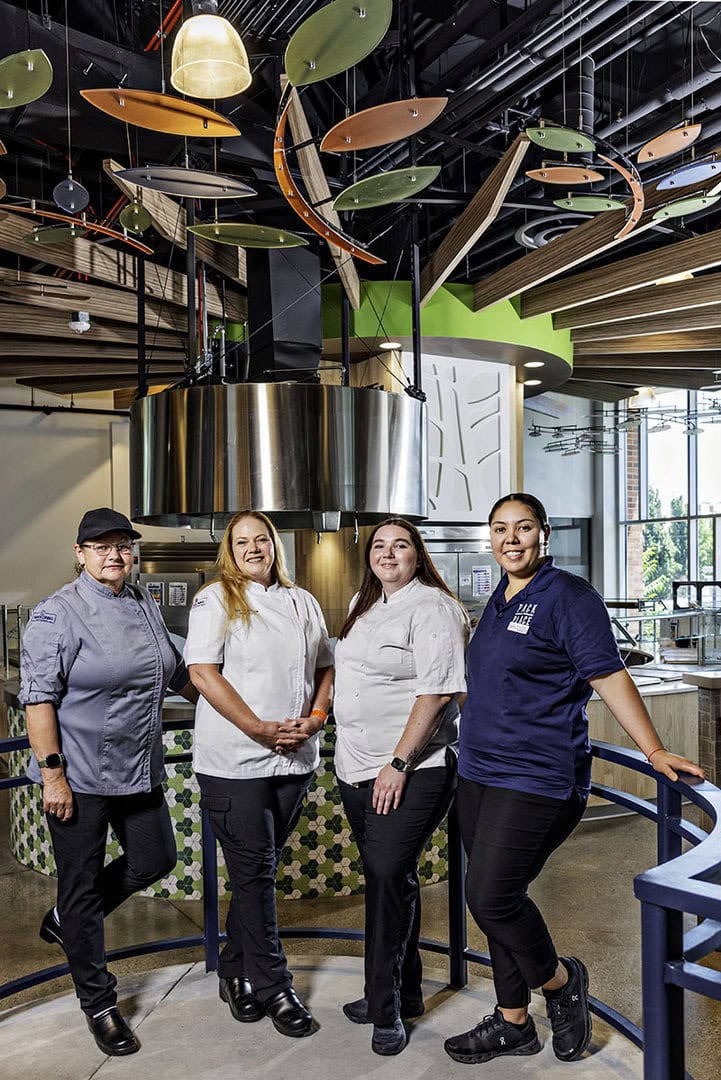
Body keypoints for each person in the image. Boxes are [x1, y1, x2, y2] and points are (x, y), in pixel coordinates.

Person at [444, 492, 705, 1067]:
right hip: (479, 771)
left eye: (524, 528)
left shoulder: (568, 596)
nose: (511, 538)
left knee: (489, 895)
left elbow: (608, 675)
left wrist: (654, 748)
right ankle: (513, 1022)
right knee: (496, 900)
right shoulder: (501, 595)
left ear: (545, 534)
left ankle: (561, 984)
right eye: (500, 528)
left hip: (537, 776)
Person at [20, 507, 196, 1057]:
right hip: (78, 776)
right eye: (101, 547)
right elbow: (38, 699)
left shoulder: (143, 602)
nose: (114, 555)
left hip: (136, 768)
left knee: (155, 858)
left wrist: (240, 710)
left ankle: (66, 921)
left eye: (122, 545)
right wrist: (53, 776)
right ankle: (99, 1005)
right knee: (80, 884)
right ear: (80, 554)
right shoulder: (57, 614)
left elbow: (179, 672)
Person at [184, 510, 333, 1039]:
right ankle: (274, 987)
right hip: (234, 763)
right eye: (241, 541)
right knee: (255, 873)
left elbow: (325, 667)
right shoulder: (215, 599)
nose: (253, 547)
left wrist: (315, 720)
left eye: (261, 538)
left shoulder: (303, 601)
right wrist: (258, 728)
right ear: (230, 549)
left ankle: (233, 970)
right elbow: (201, 671)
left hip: (293, 761)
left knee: (257, 875)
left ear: (275, 545)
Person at [333, 518, 469, 1056]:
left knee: (388, 873)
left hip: (413, 768)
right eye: (380, 546)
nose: (388, 554)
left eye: (401, 545)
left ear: (419, 554)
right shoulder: (361, 606)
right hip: (353, 767)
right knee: (387, 878)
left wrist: (399, 762)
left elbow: (436, 695)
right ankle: (402, 988)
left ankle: (384, 1008)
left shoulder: (434, 607)